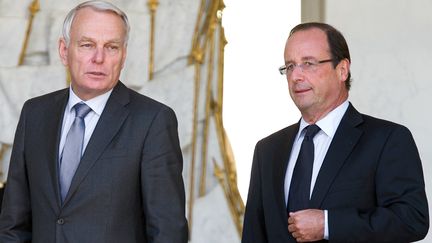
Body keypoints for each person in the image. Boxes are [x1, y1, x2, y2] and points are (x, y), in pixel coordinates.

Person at [0, 1, 188, 242]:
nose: (98, 58)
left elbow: (168, 232)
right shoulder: (34, 114)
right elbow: (13, 225)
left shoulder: (153, 121)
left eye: (111, 47)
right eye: (87, 45)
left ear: (123, 55)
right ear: (64, 51)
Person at [242, 22, 429, 242]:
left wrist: (329, 224)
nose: (296, 76)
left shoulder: (387, 139)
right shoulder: (268, 150)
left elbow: (411, 219)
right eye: (290, 66)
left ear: (342, 70)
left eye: (309, 63)